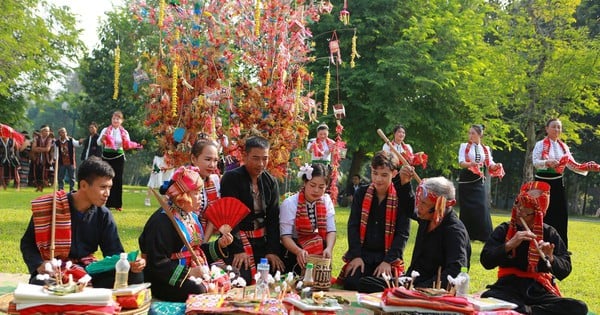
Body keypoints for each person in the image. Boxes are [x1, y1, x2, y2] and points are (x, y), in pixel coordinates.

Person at [20, 156, 146, 288]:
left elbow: (113, 252)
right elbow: (27, 243)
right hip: (55, 268)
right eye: (103, 187)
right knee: (41, 282)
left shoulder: (103, 214)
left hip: (88, 268)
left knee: (135, 275)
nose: (107, 193)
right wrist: (39, 264)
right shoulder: (51, 207)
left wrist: (130, 263)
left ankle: (80, 289)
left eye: (109, 187)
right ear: (84, 185)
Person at [480, 181, 588, 315]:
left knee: (578, 307)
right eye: (518, 207)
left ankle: (527, 311)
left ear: (538, 213)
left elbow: (565, 269)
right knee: (488, 298)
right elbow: (486, 260)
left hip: (538, 290)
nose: (520, 213)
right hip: (508, 287)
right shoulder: (505, 229)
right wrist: (509, 245)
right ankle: (527, 310)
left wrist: (551, 258)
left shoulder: (549, 233)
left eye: (526, 212)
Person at [139, 165, 233, 302]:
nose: (201, 197)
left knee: (231, 274)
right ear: (183, 196)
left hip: (193, 270)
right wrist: (189, 273)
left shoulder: (191, 216)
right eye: (196, 192)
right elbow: (156, 263)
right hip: (164, 280)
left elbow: (196, 251)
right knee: (199, 289)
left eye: (201, 192)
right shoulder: (162, 221)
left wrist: (219, 245)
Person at [340, 151, 411, 292]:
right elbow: (353, 225)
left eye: (384, 175)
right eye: (374, 173)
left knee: (384, 285)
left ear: (394, 174)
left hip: (386, 256)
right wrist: (356, 256)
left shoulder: (401, 197)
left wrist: (388, 261)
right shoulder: (361, 193)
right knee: (351, 282)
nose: (378, 179)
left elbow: (403, 234)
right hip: (363, 255)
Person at [220, 136, 284, 283]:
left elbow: (273, 219)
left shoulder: (271, 182)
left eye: (265, 159)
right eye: (255, 158)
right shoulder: (231, 178)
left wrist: (272, 251)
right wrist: (238, 250)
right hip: (237, 239)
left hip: (262, 241)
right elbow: (229, 216)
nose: (261, 164)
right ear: (245, 156)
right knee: (241, 278)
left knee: (276, 273)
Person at [531, 118, 600, 248]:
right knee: (542, 214)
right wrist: (546, 163)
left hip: (557, 183)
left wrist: (587, 167)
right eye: (554, 127)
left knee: (561, 215)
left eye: (559, 127)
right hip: (542, 183)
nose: (557, 130)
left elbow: (573, 165)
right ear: (547, 129)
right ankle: (539, 244)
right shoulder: (540, 144)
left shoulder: (564, 147)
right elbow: (535, 162)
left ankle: (560, 247)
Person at [402, 175, 471, 289]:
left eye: (423, 203)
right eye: (419, 201)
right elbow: (409, 207)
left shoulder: (454, 231)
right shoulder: (426, 218)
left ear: (441, 206)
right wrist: (404, 183)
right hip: (412, 281)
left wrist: (421, 289)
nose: (418, 206)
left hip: (433, 291)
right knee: (369, 283)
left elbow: (455, 270)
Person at [280, 163, 336, 273]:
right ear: (305, 183)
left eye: (321, 187)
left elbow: (331, 230)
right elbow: (285, 236)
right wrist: (298, 251)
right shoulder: (290, 203)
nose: (316, 190)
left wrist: (329, 248)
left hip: (316, 244)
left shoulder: (326, 200)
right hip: (294, 247)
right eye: (312, 185)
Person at [457, 124, 503, 242]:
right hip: (466, 178)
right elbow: (461, 162)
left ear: (480, 135)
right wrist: (470, 164)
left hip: (478, 178)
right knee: (467, 208)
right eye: (469, 133)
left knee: (481, 205)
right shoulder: (464, 146)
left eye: (473, 133)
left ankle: (484, 235)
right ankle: (467, 234)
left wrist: (496, 166)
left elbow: (489, 163)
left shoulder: (485, 149)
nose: (470, 135)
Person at [97, 110, 143, 211]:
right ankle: (105, 203)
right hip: (107, 156)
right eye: (114, 118)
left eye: (118, 119)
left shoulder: (124, 132)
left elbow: (127, 144)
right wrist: (103, 139)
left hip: (118, 157)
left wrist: (132, 145)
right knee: (106, 178)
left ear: (121, 121)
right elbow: (98, 143)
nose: (115, 120)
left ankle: (117, 204)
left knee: (117, 180)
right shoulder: (105, 130)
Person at [189, 140, 221, 238]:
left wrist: (203, 243)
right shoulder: (182, 180)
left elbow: (212, 215)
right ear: (193, 159)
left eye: (215, 160)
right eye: (208, 159)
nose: (212, 165)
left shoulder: (214, 182)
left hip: (200, 238)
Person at [55, 127, 80, 192]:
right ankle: (61, 189)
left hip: (70, 162)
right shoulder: (57, 142)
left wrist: (80, 142)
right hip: (62, 162)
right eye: (62, 132)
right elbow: (56, 152)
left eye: (65, 132)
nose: (64, 133)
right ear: (59, 134)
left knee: (72, 177)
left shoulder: (71, 140)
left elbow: (77, 144)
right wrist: (55, 159)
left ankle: (72, 189)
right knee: (61, 177)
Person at [31, 125, 54, 192]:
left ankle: (42, 187)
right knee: (37, 173)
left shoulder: (49, 139)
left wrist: (38, 148)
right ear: (42, 131)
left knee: (44, 174)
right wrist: (42, 149)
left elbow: (47, 149)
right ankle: (38, 187)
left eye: (48, 131)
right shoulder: (37, 138)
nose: (47, 132)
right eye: (46, 131)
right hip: (37, 159)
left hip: (46, 159)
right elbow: (33, 148)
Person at [0, 126, 21, 190]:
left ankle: (18, 186)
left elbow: (17, 149)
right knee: (1, 172)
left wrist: (15, 146)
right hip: (2, 158)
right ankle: (3, 186)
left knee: (15, 172)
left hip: (11, 158)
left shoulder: (12, 140)